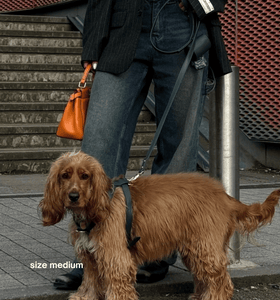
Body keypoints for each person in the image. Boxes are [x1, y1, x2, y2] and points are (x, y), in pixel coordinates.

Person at [54, 0, 232, 290]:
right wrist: (92, 45)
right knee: (98, 145)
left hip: (181, 22)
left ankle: (158, 251)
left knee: (179, 151)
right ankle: (93, 255)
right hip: (124, 25)